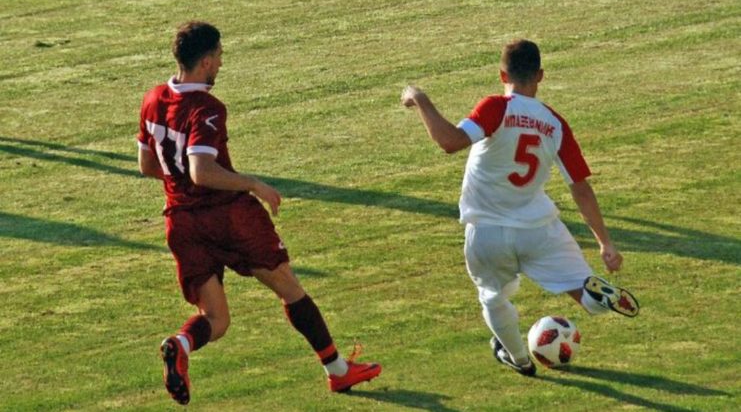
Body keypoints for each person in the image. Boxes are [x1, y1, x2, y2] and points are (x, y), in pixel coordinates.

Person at [137, 21, 381, 405]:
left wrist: (181, 183)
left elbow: (148, 165)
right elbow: (202, 171)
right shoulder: (207, 109)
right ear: (205, 61)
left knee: (216, 319)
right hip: (229, 218)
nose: (221, 63)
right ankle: (337, 371)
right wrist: (252, 183)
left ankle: (180, 343)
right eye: (219, 56)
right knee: (288, 286)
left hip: (181, 222)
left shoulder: (153, 99)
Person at [400, 39, 639, 376]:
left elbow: (450, 141)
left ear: (502, 75)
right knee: (580, 285)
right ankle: (594, 297)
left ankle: (520, 359)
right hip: (539, 229)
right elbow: (580, 188)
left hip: (487, 233)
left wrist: (419, 98)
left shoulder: (496, 108)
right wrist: (605, 243)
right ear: (540, 75)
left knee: (493, 298)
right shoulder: (555, 124)